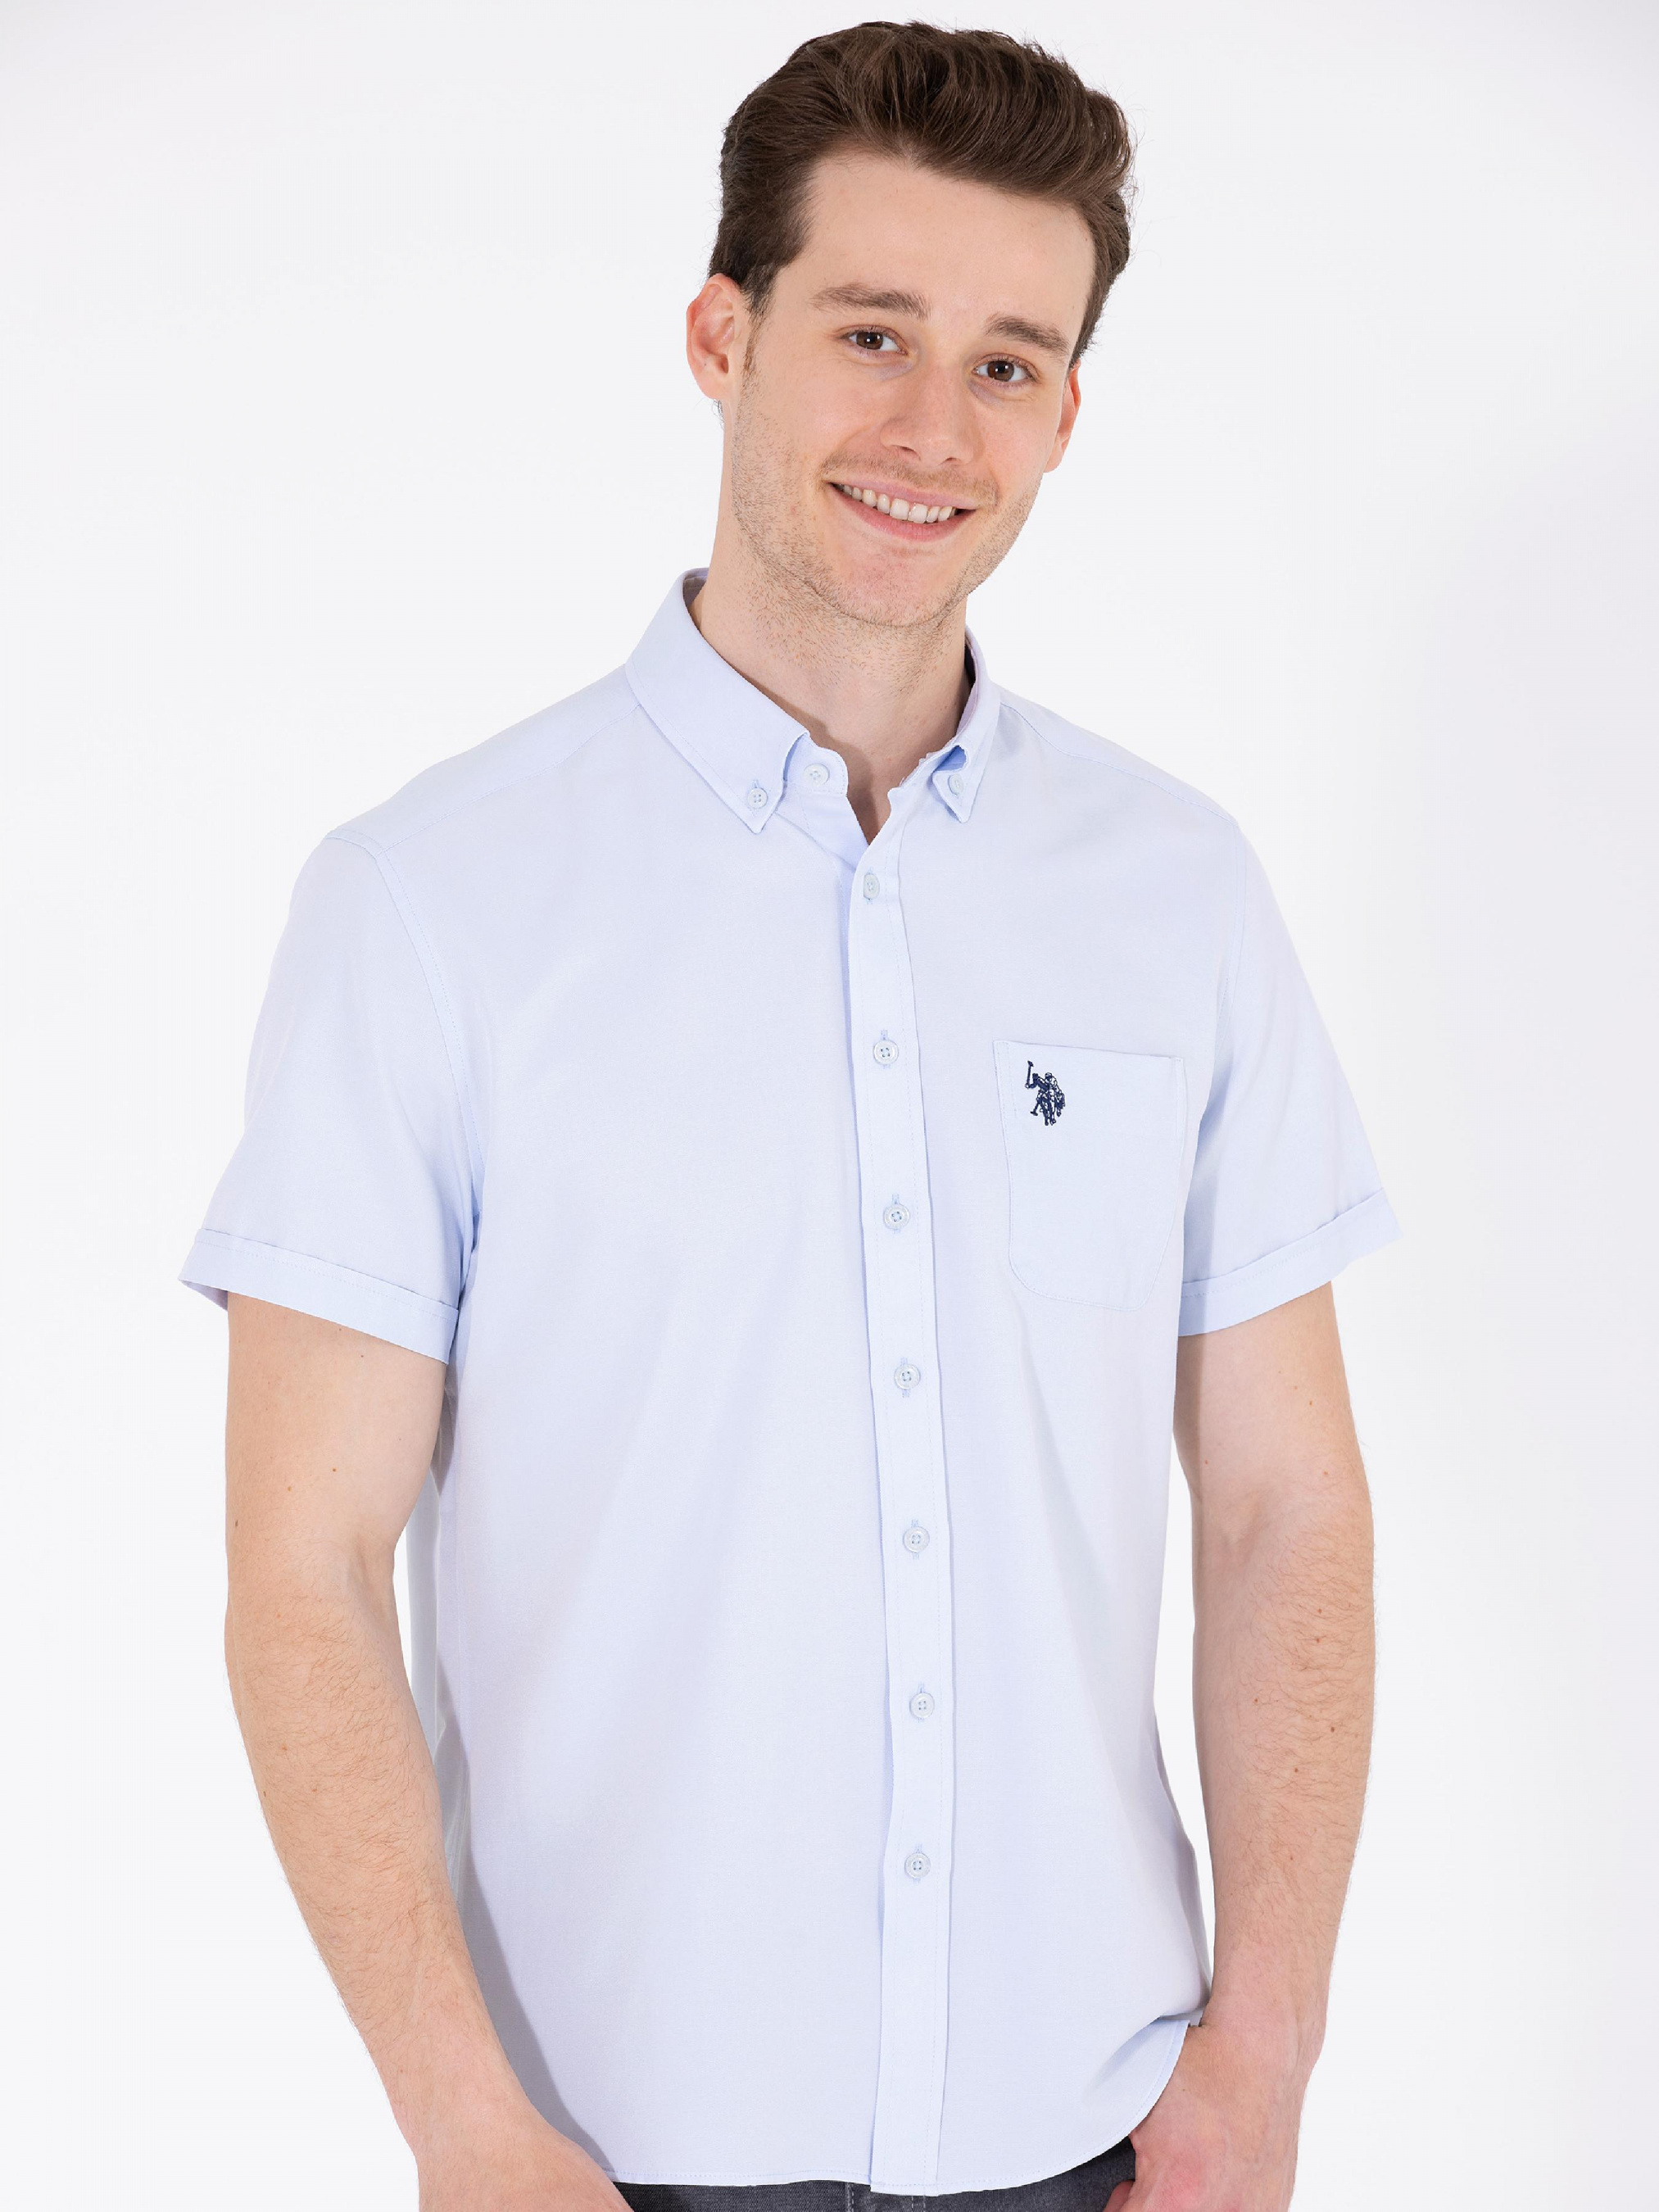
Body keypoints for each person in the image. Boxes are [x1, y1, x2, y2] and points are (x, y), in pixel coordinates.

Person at [179, 23, 1402, 2212]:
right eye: (870, 332)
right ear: (720, 338)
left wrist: (1268, 2047)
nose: (933, 428)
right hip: (595, 2158)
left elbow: (1281, 1507)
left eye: (1008, 363)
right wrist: (464, 2124)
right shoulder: (431, 906)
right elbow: (303, 1571)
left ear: (1068, 413)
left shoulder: (1179, 893)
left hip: (1098, 2137)